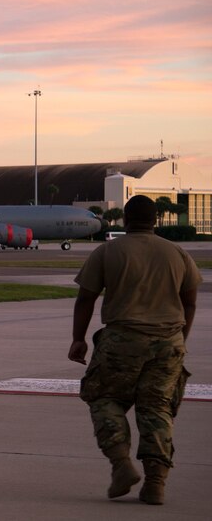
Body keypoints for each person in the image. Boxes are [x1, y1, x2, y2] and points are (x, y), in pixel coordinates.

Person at [69, 195, 201, 505]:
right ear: (156, 220)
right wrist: (181, 337)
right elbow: (191, 300)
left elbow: (86, 297)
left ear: (125, 220)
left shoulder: (108, 251)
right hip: (168, 341)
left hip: (122, 340)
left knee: (103, 398)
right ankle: (156, 482)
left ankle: (121, 464)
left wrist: (79, 338)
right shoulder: (177, 253)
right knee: (157, 409)